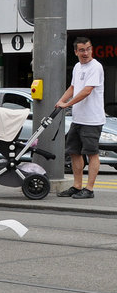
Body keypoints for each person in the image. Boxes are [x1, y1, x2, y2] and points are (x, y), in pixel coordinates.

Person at [57, 36, 105, 199]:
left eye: (88, 49)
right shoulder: (77, 67)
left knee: (92, 153)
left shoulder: (95, 67)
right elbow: (73, 87)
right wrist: (62, 100)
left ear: (92, 49)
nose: (86, 53)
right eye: (82, 50)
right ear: (76, 51)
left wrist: (67, 104)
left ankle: (89, 189)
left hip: (92, 119)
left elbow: (86, 91)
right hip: (78, 119)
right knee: (74, 152)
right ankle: (77, 186)